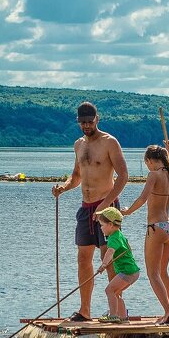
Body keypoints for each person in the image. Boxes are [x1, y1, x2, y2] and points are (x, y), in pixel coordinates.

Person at [51, 101, 128, 322]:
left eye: (89, 122)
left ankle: (117, 312)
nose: (86, 126)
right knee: (83, 259)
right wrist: (63, 188)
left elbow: (123, 176)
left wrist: (106, 204)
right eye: (82, 122)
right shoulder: (78, 145)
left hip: (107, 208)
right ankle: (85, 311)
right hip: (86, 209)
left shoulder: (109, 142)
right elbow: (76, 176)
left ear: (97, 119)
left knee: (109, 258)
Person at [121, 141, 169, 325]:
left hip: (157, 227)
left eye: (146, 163)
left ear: (151, 161)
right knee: (163, 273)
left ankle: (168, 313)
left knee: (153, 274)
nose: (147, 167)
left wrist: (127, 211)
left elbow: (142, 198)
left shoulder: (154, 175)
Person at [93, 206, 139, 323]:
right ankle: (123, 318)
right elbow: (128, 248)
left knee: (109, 290)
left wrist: (103, 265)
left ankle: (113, 316)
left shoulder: (113, 238)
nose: (101, 228)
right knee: (116, 293)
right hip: (132, 271)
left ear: (111, 225)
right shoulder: (119, 235)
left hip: (127, 271)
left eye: (102, 225)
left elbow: (110, 252)